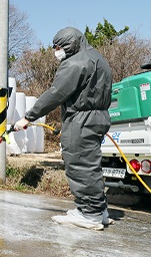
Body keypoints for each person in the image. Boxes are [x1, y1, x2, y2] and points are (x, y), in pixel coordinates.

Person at [14, 27, 113, 230]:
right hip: (99, 116)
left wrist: (28, 117)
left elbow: (56, 93)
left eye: (58, 46)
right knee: (91, 164)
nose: (56, 51)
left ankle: (89, 214)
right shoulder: (98, 59)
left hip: (81, 119)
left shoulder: (75, 63)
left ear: (70, 44)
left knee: (78, 164)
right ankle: (99, 210)